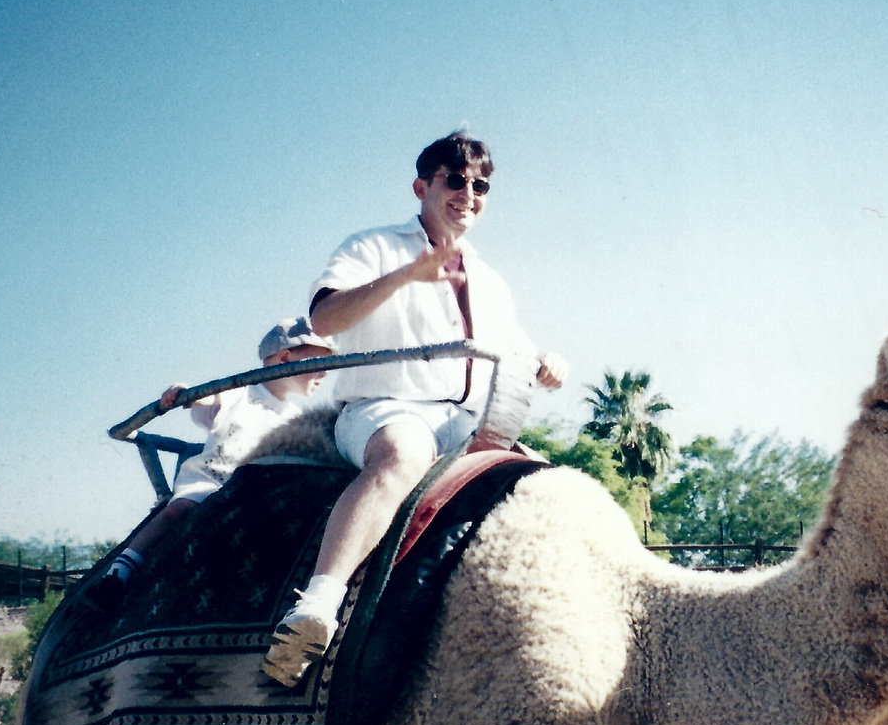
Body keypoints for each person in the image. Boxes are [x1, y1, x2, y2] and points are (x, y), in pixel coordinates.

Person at [262, 131, 566, 686]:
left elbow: (513, 351)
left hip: (471, 428)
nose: (468, 193)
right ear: (421, 186)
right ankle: (317, 607)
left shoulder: (492, 281)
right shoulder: (372, 246)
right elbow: (325, 321)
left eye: (480, 185)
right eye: (455, 180)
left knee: (547, 484)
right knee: (403, 454)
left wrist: (544, 361)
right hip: (385, 409)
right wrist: (408, 274)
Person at [90, 318, 335, 609]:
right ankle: (121, 570)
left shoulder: (296, 416)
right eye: (318, 365)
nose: (323, 374)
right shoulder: (241, 391)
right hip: (214, 478)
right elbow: (210, 398)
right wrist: (187, 394)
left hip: (255, 488)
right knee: (181, 508)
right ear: (284, 358)